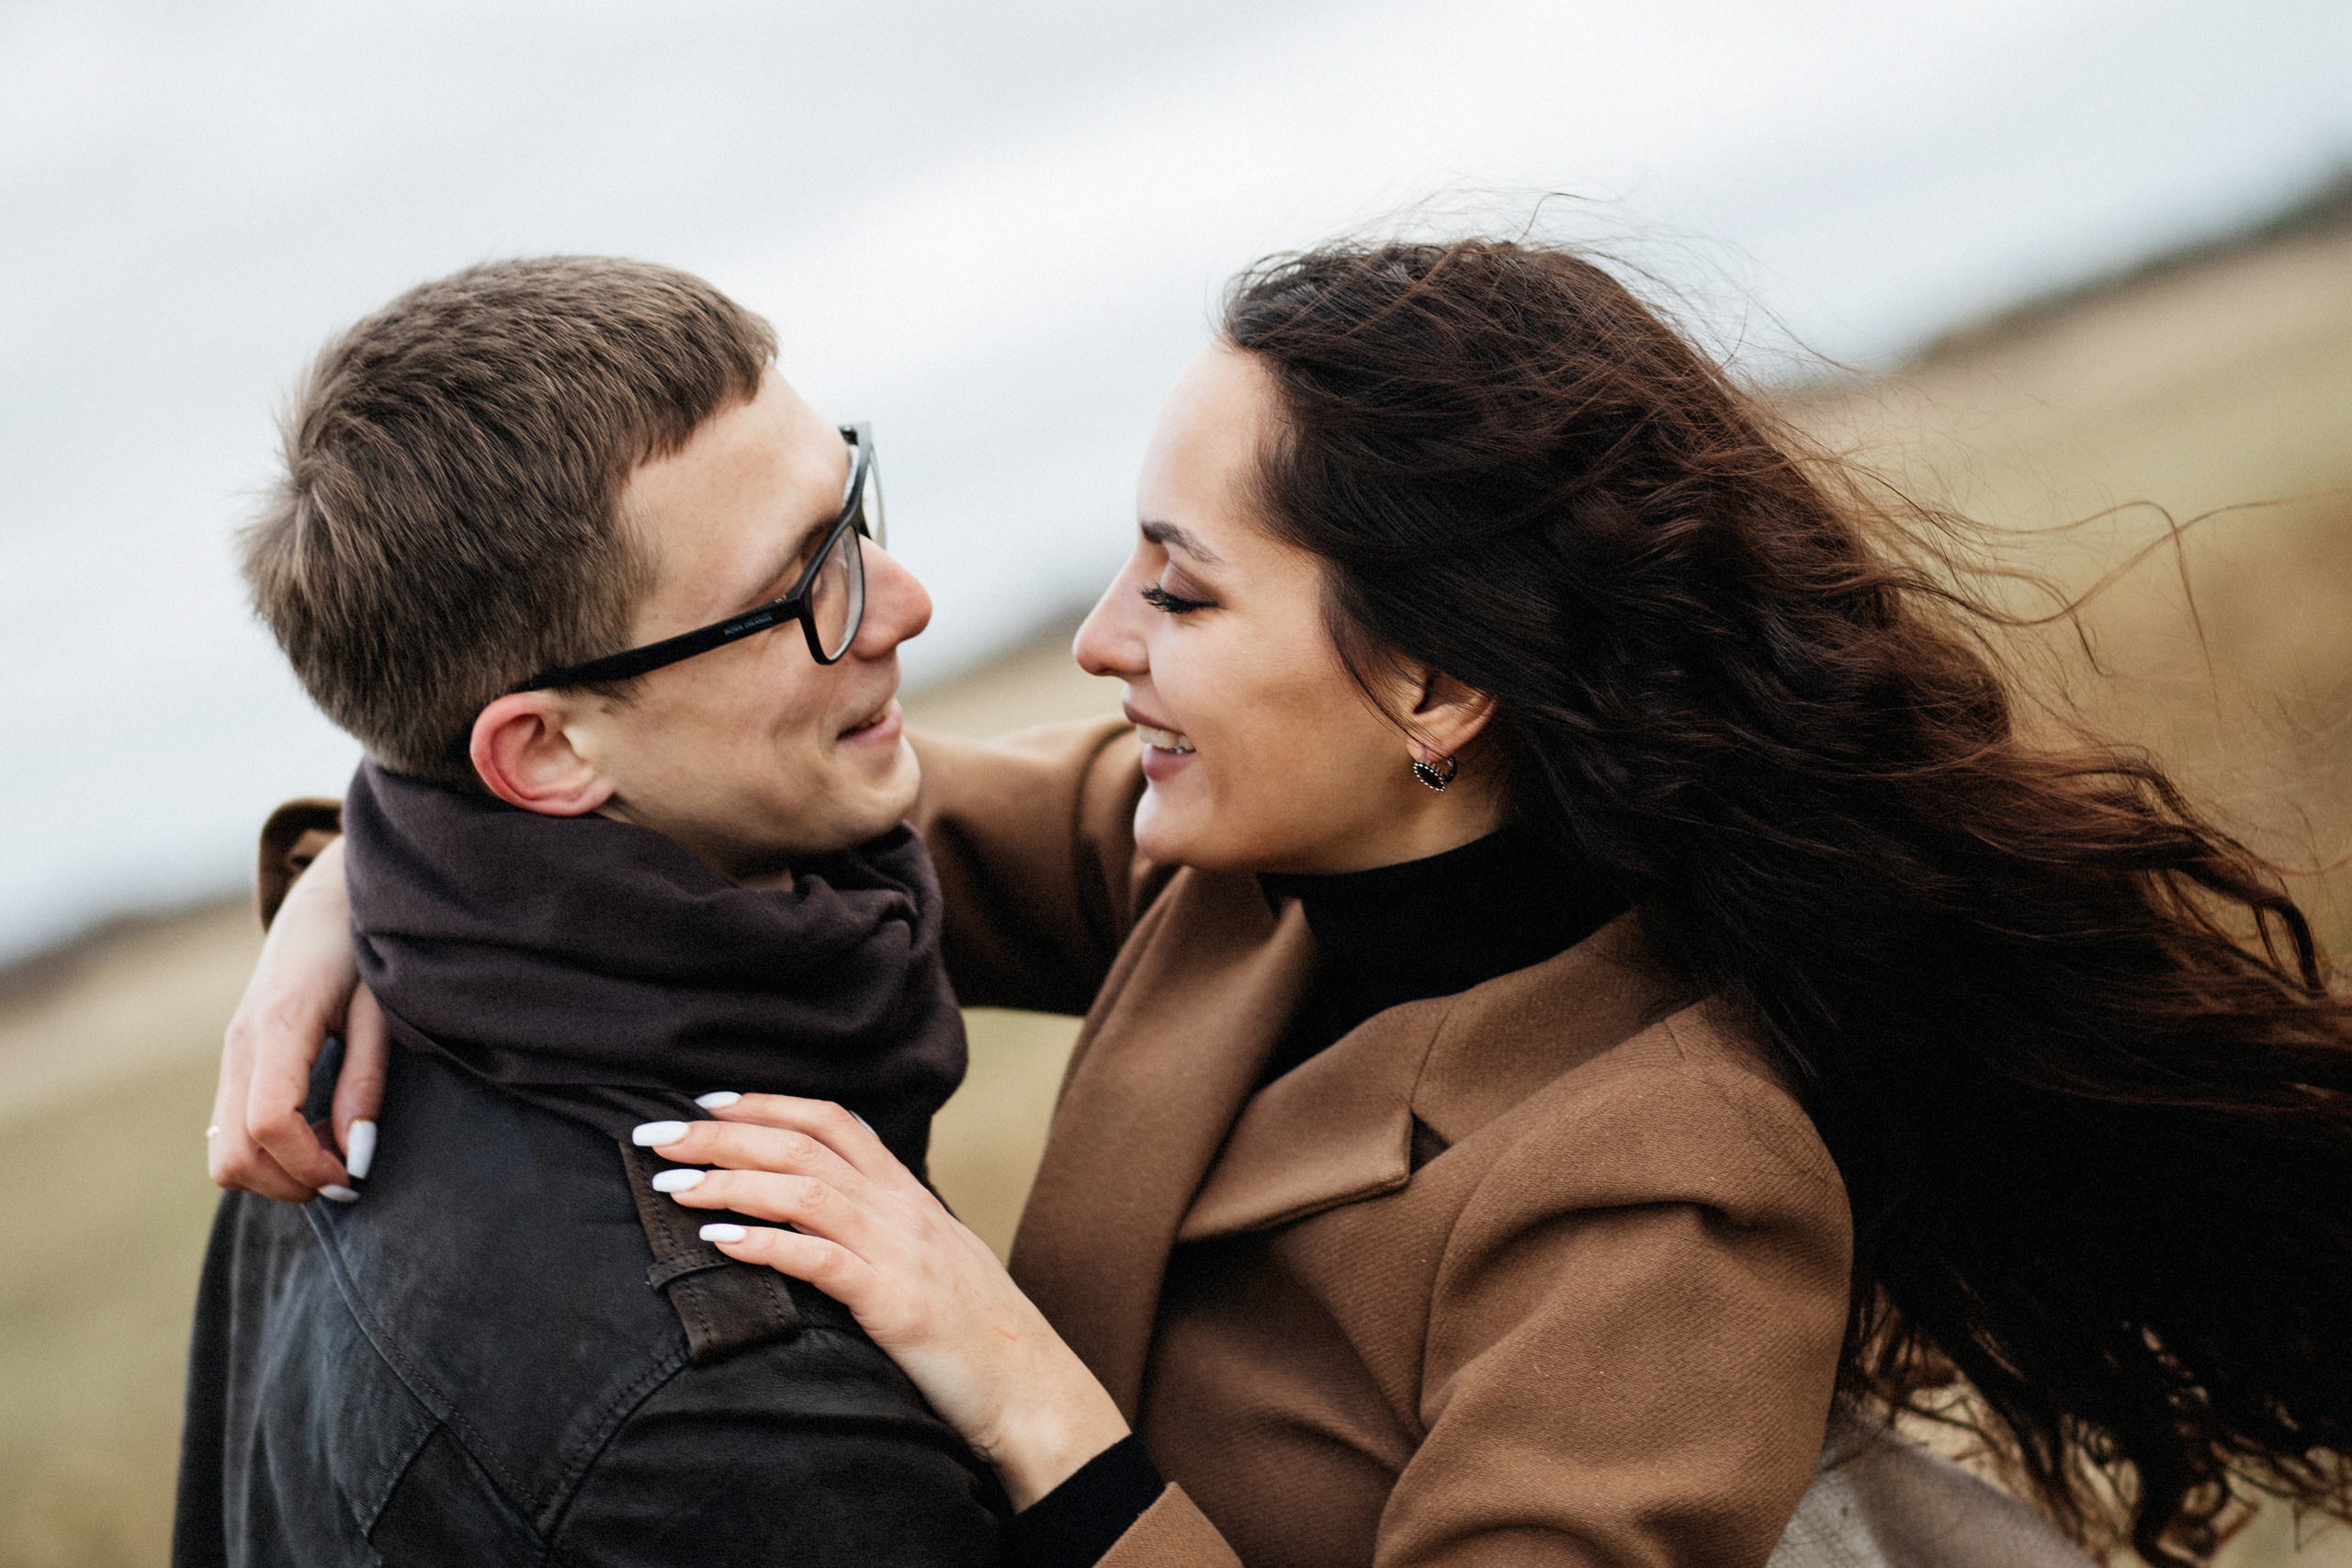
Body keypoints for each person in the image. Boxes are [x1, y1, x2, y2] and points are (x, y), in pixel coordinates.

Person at [216, 240, 2352, 1567]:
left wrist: (1011, 1373)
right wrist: (348, 880)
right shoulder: (1228, 870)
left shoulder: (1666, 1187)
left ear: (1427, 677)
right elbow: (708, 801)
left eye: (1181, 582)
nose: (1088, 639)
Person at [177, 256, 1009, 1567]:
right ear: (550, 756)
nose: (903, 601)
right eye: (799, 591)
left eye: (851, 508)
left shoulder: (372, 1022)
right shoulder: (723, 1413)